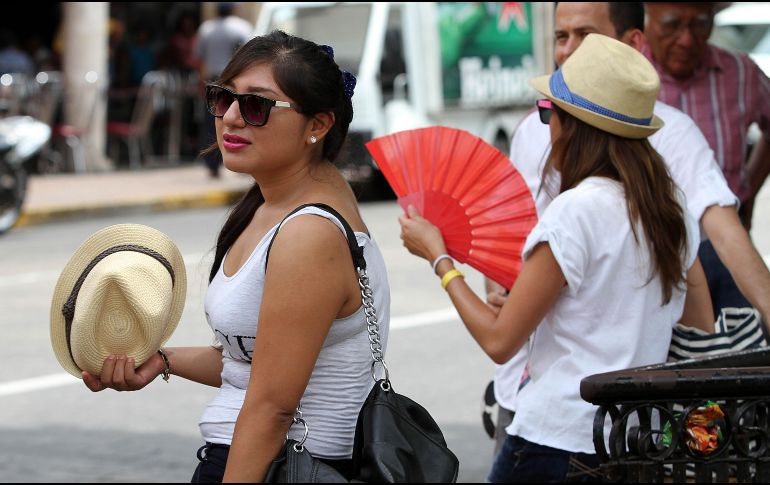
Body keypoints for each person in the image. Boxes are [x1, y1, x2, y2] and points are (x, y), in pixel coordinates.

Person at [400, 33, 713, 483]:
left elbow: (498, 343)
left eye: (549, 112)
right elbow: (697, 321)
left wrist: (439, 259)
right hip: (634, 439)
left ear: (574, 125)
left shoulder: (575, 211)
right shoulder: (671, 207)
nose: (546, 125)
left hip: (558, 440)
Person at [81, 30, 391, 483]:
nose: (230, 117)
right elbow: (250, 365)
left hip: (283, 466)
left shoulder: (309, 233)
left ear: (318, 125)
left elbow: (272, 407)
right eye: (222, 98)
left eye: (256, 105)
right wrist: (162, 359)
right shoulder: (272, 207)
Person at [486, 1, 770, 460]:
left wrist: (443, 266)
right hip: (529, 391)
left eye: (586, 36)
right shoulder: (532, 131)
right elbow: (508, 236)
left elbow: (725, 233)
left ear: (633, 42)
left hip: (602, 415)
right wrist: (504, 289)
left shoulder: (673, 137)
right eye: (561, 37)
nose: (569, 51)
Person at [643, 1, 770, 316]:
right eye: (672, 24)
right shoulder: (629, 78)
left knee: (742, 339)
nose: (687, 39)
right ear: (647, 19)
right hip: (655, 251)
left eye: (699, 24)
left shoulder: (741, 74)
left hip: (728, 247)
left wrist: (750, 189)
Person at [195, 2, 253, 178]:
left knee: (212, 121)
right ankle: (242, 162)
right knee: (242, 120)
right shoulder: (241, 27)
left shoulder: (206, 28)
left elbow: (199, 59)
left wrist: (202, 82)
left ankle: (212, 165)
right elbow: (251, 56)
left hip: (214, 81)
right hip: (235, 79)